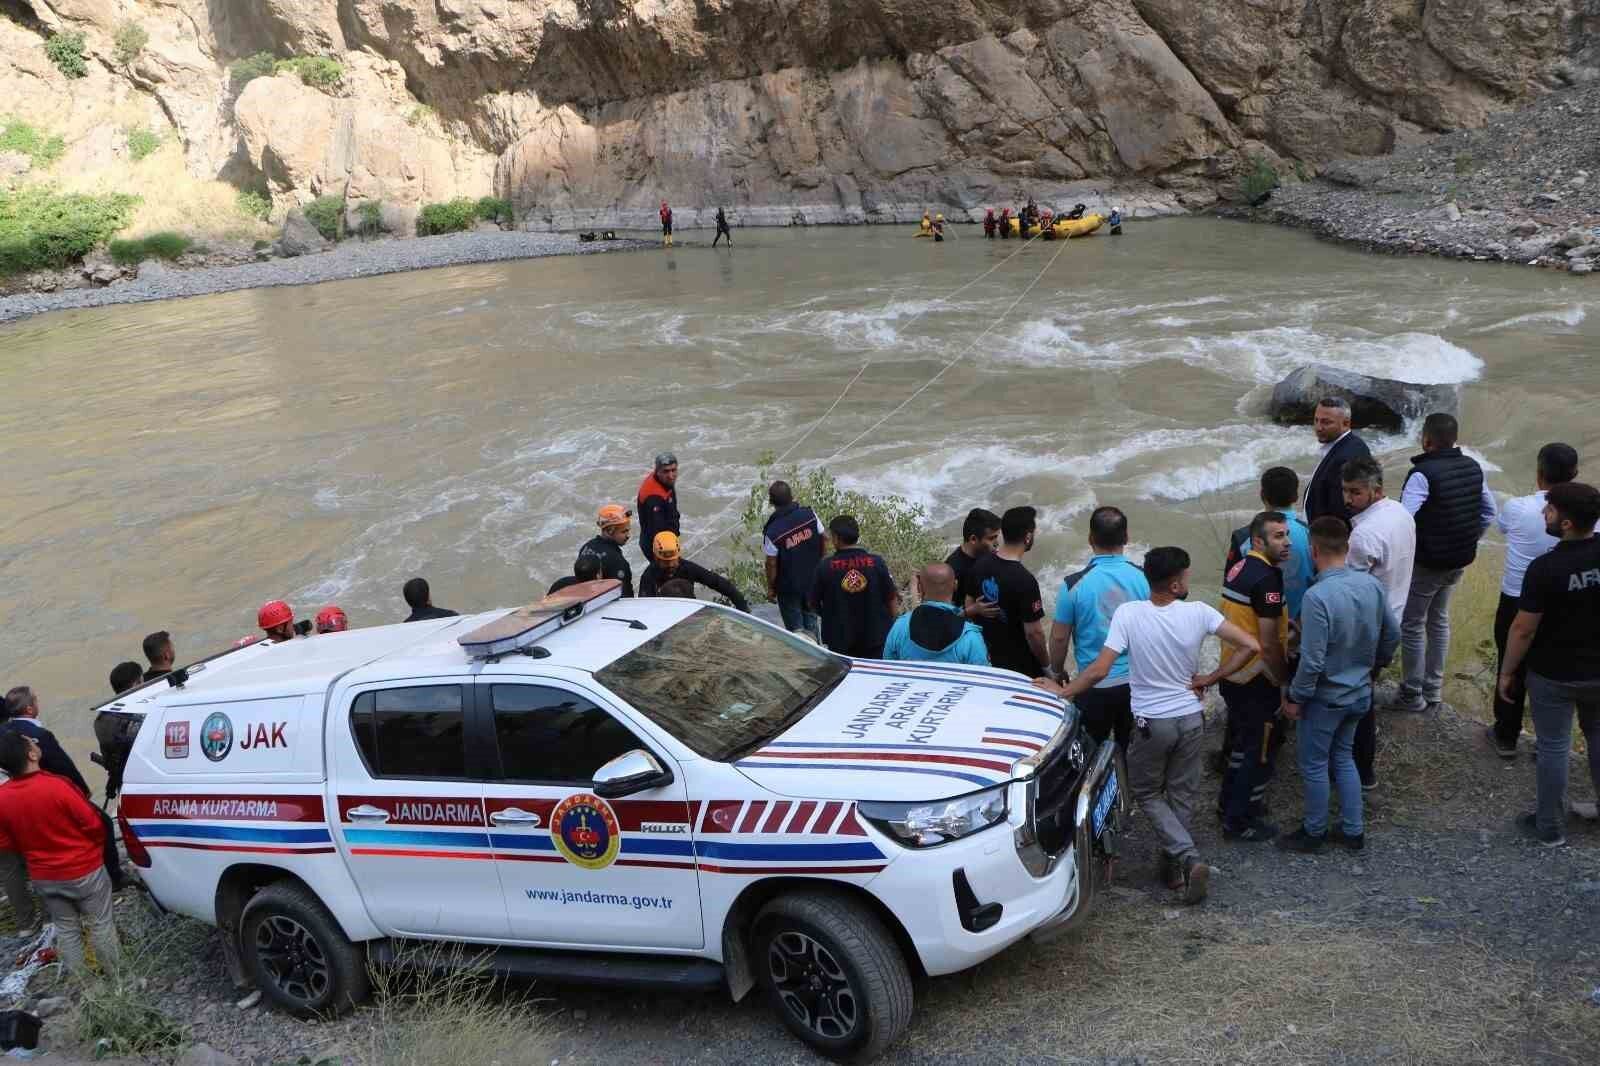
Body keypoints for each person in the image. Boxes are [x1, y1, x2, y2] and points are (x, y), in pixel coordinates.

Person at [1037, 547, 1259, 904]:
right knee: (1182, 793)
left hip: (1152, 722)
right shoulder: (1199, 612)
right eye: (1186, 575)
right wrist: (1210, 677)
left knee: (1146, 792)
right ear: (1175, 584)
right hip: (1190, 717)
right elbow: (1250, 645)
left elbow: (1099, 669)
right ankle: (1175, 869)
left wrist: (1065, 692)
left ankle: (1186, 858)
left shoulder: (1129, 614)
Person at [1277, 517, 1400, 853]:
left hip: (1326, 698)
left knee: (1315, 763)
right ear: (1347, 549)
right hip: (1360, 691)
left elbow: (1313, 660)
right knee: (1344, 758)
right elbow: (1393, 633)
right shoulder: (1372, 586)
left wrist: (1295, 697)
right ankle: (1352, 830)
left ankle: (1314, 831)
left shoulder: (1317, 597)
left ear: (1313, 550)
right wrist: (1376, 667)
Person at [1496, 482, 1600, 847]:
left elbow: (1523, 629)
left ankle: (1550, 827)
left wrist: (1508, 671)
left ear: (1567, 522)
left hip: (1554, 673)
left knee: (1554, 747)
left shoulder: (1545, 568)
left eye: (1550, 509)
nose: (1544, 513)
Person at [1391, 413, 1495, 714]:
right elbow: (1488, 512)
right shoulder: (1474, 467)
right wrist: (1470, 538)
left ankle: (1412, 693)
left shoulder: (1423, 473)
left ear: (1426, 440)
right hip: (1459, 558)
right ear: (1454, 439)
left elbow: (1403, 519)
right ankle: (1433, 690)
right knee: (1439, 619)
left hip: (1428, 562)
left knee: (1412, 624)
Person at [0, 731, 120, 978]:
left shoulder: (3, 797)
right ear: (32, 754)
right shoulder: (57, 785)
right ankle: (118, 980)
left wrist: (30, 852)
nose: (35, 741)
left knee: (66, 928)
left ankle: (85, 985)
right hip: (83, 868)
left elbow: (6, 843)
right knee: (100, 923)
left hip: (44, 876)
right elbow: (93, 823)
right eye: (31, 742)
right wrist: (93, 849)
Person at [1490, 443, 1579, 757]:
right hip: (1567, 600)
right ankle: (1550, 740)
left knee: (1512, 665)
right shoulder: (1587, 512)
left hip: (1517, 598)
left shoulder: (1518, 507)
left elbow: (1501, 528)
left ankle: (1506, 736)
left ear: (1539, 475)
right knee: (1554, 670)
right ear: (1575, 475)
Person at [1216, 512, 1293, 842]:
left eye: (1287, 534)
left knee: (1242, 744)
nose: (1287, 542)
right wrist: (1283, 680)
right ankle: (1240, 820)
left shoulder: (1239, 567)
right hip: (1256, 678)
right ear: (1258, 541)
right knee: (1259, 750)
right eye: (1278, 536)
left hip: (1233, 672)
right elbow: (1268, 642)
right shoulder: (1266, 579)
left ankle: (1228, 804)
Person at [1, 687, 125, 889]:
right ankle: (114, 877)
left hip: (17, 795)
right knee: (104, 823)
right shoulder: (40, 735)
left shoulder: (4, 732)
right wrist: (82, 790)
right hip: (51, 791)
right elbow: (63, 765)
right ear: (30, 709)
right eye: (36, 699)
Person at [1342, 456, 1416, 788]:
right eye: (1345, 491)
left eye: (1355, 492)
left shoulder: (1364, 535)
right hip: (1395, 614)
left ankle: (1361, 770)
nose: (1348, 499)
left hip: (1369, 628)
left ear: (1376, 490)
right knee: (1365, 692)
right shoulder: (1401, 513)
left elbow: (1352, 591)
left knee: (1359, 700)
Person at [1049, 506, 1150, 747]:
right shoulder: (1146, 577)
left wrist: (1057, 670)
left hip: (1093, 683)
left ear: (1090, 539)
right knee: (1133, 751)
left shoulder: (1072, 585)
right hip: (1138, 684)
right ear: (1126, 537)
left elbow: (1059, 638)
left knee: (1089, 752)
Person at [962, 506, 1048, 678]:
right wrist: (1047, 666)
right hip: (1019, 666)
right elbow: (1034, 634)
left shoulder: (980, 564)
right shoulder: (1025, 581)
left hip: (986, 657)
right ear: (1028, 537)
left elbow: (969, 603)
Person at [1225, 467, 1313, 621]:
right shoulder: (1310, 533)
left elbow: (1231, 586)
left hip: (1260, 625)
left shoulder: (1244, 537)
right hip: (1303, 622)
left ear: (1262, 495)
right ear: (1296, 496)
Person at [809, 515, 898, 658]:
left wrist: (828, 615)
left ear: (836, 538)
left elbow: (813, 603)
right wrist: (894, 627)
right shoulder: (876, 562)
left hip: (840, 638)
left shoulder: (824, 567)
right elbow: (891, 597)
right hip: (875, 636)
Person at [882, 564, 989, 666]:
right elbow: (982, 676)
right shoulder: (969, 635)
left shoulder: (900, 626)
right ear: (955, 585)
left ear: (919, 588)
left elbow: (889, 667)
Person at [763, 481, 825, 638]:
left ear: (771, 502)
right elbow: (824, 539)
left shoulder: (772, 531)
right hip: (812, 580)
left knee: (796, 632)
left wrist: (771, 588)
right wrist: (820, 566)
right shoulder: (809, 514)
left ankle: (805, 658)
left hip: (788, 588)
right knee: (811, 622)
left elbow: (771, 564)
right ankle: (817, 649)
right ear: (792, 497)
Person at [638, 532, 750, 611]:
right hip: (664, 615)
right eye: (666, 562)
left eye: (673, 560)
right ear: (656, 558)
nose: (671, 565)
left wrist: (742, 607)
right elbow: (644, 607)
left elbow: (718, 583)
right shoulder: (648, 577)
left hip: (690, 611)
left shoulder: (688, 568)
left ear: (678, 555)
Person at [1304, 397, 1372, 523]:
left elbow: (1341, 510)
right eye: (1316, 420)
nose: (1318, 427)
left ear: (1346, 424)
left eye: (1326, 422)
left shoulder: (1346, 457)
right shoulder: (1348, 445)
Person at [946, 508, 1002, 618]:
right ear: (973, 539)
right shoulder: (952, 569)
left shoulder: (989, 554)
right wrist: (972, 610)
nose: (997, 543)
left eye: (997, 537)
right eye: (991, 538)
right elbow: (945, 615)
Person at [578, 504, 636, 597]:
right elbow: (625, 597)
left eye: (628, 530)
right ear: (609, 531)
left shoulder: (586, 547)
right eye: (624, 531)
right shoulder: (618, 561)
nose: (628, 535)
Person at [637, 452, 681, 566]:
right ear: (657, 471)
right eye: (666, 471)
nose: (671, 475)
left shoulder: (664, 481)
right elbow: (657, 531)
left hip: (667, 537)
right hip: (657, 545)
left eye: (674, 470)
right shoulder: (653, 497)